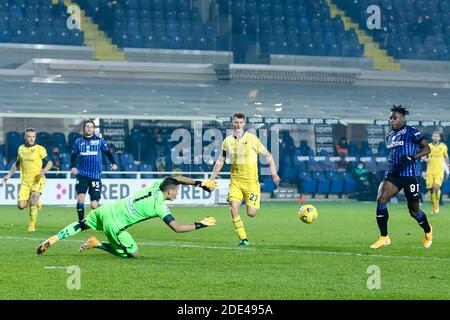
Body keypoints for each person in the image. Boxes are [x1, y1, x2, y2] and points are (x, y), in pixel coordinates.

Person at [36, 176, 217, 257]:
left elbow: (176, 177)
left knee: (81, 224)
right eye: (176, 191)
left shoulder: (156, 185)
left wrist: (200, 184)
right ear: (169, 191)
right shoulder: (160, 206)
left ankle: (55, 238)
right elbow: (177, 228)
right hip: (115, 225)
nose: (177, 193)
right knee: (133, 254)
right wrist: (201, 224)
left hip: (106, 209)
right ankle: (97, 244)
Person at [210, 113, 281, 246]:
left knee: (251, 213)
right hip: (236, 181)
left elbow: (268, 155)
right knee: (233, 208)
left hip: (251, 183)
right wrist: (211, 178)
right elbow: (221, 160)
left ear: (244, 124)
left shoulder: (252, 139)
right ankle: (244, 239)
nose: (238, 125)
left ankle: (254, 203)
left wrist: (273, 173)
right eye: (236, 122)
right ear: (232, 123)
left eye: (241, 122)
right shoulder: (227, 141)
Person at [371, 105, 432, 249]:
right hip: (393, 175)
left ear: (402, 119)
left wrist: (413, 157)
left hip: (410, 176)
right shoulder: (389, 136)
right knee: (381, 199)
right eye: (390, 118)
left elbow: (427, 148)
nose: (392, 120)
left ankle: (428, 230)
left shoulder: (411, 131)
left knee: (414, 211)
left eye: (395, 117)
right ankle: (384, 237)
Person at [1, 128, 53, 231]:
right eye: (29, 136)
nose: (31, 139)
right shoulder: (21, 149)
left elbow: (50, 162)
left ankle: (32, 225)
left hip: (38, 180)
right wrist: (9, 175)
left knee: (33, 200)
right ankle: (37, 204)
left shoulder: (40, 149)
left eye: (33, 136)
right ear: (25, 137)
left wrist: (44, 170)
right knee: (21, 206)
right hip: (25, 181)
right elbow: (17, 163)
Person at [70, 120, 118, 225]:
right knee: (81, 197)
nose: (89, 128)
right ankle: (81, 222)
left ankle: (102, 220)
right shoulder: (78, 142)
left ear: (94, 128)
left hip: (95, 176)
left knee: (94, 205)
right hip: (82, 175)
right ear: (84, 128)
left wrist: (113, 162)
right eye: (87, 126)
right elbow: (73, 155)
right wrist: (73, 166)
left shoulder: (100, 141)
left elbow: (107, 152)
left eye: (91, 126)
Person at [425, 131, 449, 214]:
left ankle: (437, 205)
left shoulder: (443, 147)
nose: (435, 138)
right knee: (431, 190)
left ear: (439, 138)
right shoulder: (428, 146)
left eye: (437, 136)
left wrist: (448, 166)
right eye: (434, 136)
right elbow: (423, 156)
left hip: (439, 171)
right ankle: (434, 205)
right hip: (430, 171)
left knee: (436, 187)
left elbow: (446, 157)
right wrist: (425, 159)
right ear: (432, 137)